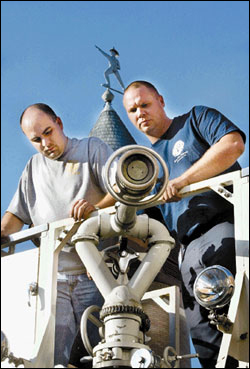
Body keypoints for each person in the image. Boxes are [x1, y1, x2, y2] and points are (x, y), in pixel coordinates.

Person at [123, 81, 246, 368]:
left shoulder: (196, 119)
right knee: (202, 333)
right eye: (132, 110)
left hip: (225, 226)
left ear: (161, 101)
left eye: (145, 104)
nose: (140, 112)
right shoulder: (148, 166)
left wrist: (184, 180)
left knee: (231, 310)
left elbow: (233, 144)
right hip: (186, 249)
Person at [1, 103, 117, 367]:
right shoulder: (33, 168)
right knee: (54, 357)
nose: (45, 142)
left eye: (48, 132)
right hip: (54, 276)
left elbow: (122, 188)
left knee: (99, 351)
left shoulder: (92, 149)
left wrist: (95, 208)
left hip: (96, 271)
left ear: (59, 123)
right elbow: (15, 218)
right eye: (36, 140)